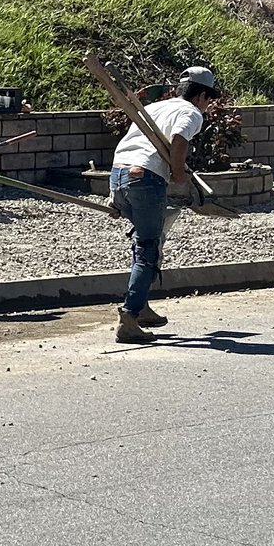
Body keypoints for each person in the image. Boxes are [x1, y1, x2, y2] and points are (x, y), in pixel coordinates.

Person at [110, 66, 230, 343]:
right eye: (208, 99)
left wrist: (116, 195)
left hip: (118, 175)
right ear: (201, 96)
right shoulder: (191, 112)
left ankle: (141, 305)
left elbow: (130, 143)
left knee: (143, 241)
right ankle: (128, 319)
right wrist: (178, 175)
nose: (208, 105)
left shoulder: (153, 108)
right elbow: (178, 139)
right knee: (149, 249)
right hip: (145, 178)